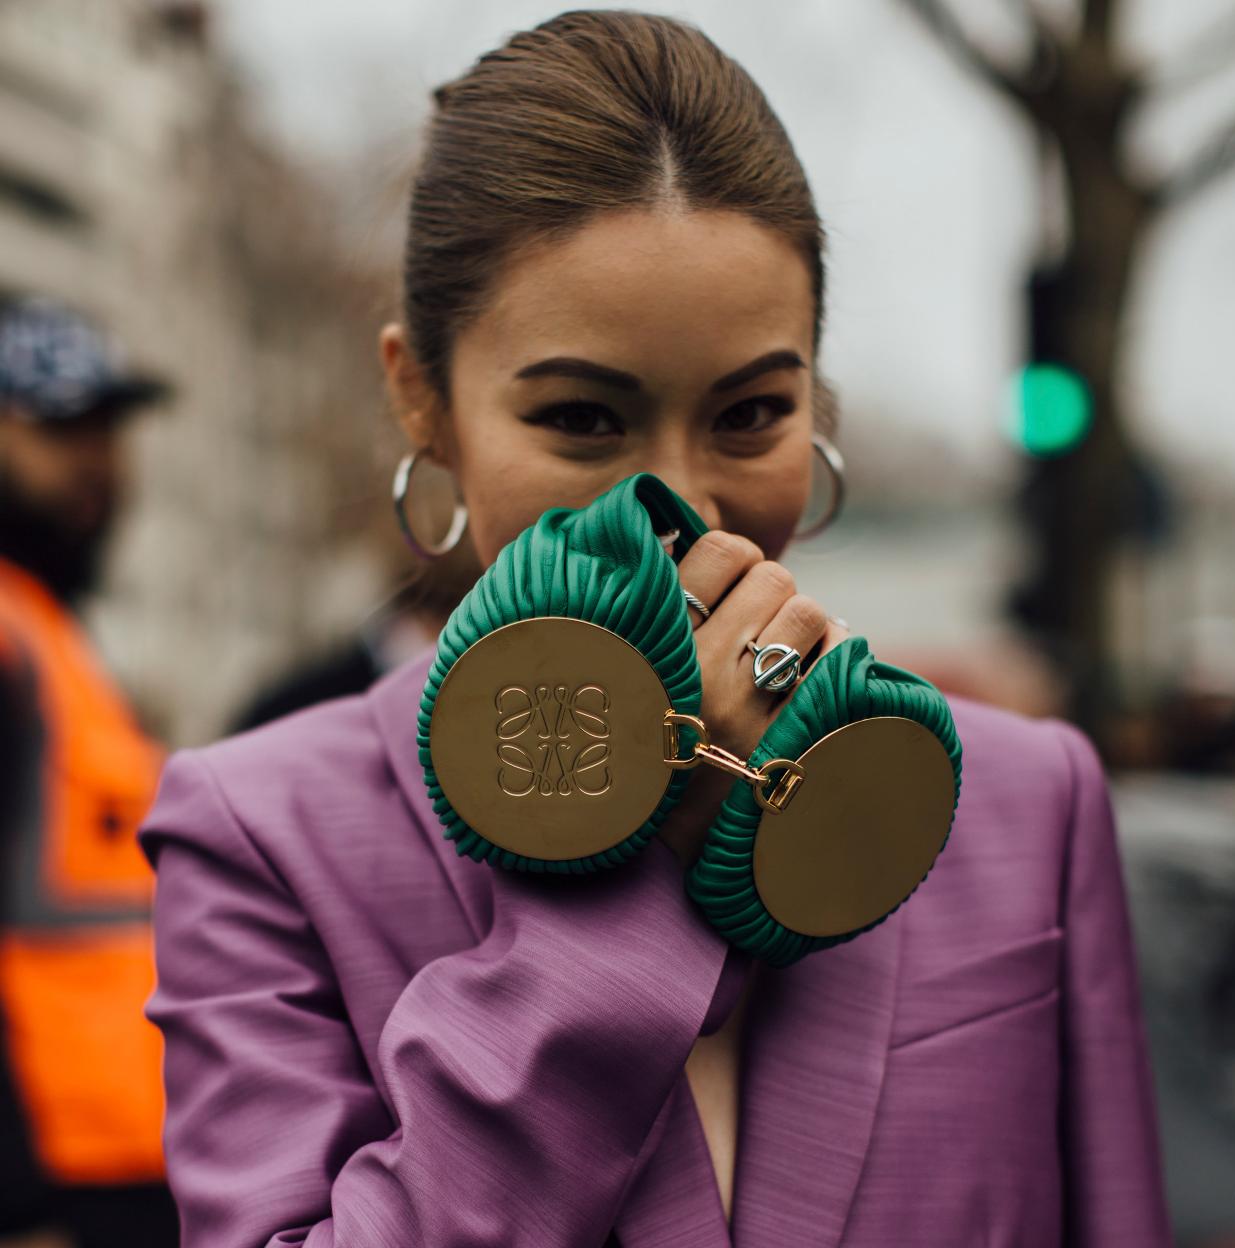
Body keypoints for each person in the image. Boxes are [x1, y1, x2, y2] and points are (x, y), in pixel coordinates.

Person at [138, 11, 1172, 1246]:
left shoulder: (1025, 803)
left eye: (750, 414)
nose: (678, 509)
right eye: (582, 418)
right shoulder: (263, 838)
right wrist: (632, 898)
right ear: (424, 400)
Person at [0, 296, 179, 1247]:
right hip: (59, 1193)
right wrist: (16, 1205)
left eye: (110, 427)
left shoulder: (50, 628)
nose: (99, 458)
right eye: (61, 426)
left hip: (132, 1167)